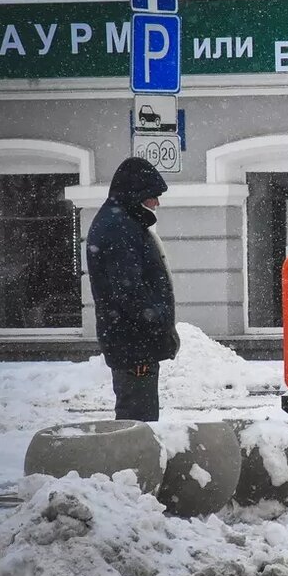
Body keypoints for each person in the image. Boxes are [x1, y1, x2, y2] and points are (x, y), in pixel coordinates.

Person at [86, 157, 178, 422]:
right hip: (134, 343)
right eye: (153, 196)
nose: (156, 203)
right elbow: (128, 290)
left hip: (132, 341)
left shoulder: (121, 223)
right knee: (138, 423)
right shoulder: (119, 229)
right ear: (137, 194)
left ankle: (136, 462)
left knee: (138, 417)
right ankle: (134, 464)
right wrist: (155, 318)